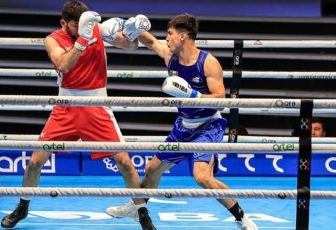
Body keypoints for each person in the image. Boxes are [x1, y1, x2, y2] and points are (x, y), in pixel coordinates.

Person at [1, 1, 155, 229]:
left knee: (124, 161)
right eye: (75, 25)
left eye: (82, 24)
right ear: (64, 23)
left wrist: (132, 34)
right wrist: (82, 41)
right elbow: (63, 65)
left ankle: (141, 212)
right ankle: (23, 207)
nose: (80, 28)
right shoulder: (53, 39)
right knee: (35, 162)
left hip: (96, 104)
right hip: (66, 105)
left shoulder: (97, 29)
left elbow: (129, 46)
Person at [106, 14, 258, 230]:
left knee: (202, 177)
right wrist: (130, 25)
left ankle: (242, 218)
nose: (166, 38)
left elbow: (221, 99)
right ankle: (136, 206)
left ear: (183, 36)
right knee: (152, 169)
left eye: (170, 34)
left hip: (208, 125)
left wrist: (193, 95)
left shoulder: (208, 63)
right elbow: (150, 41)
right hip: (184, 124)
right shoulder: (170, 57)